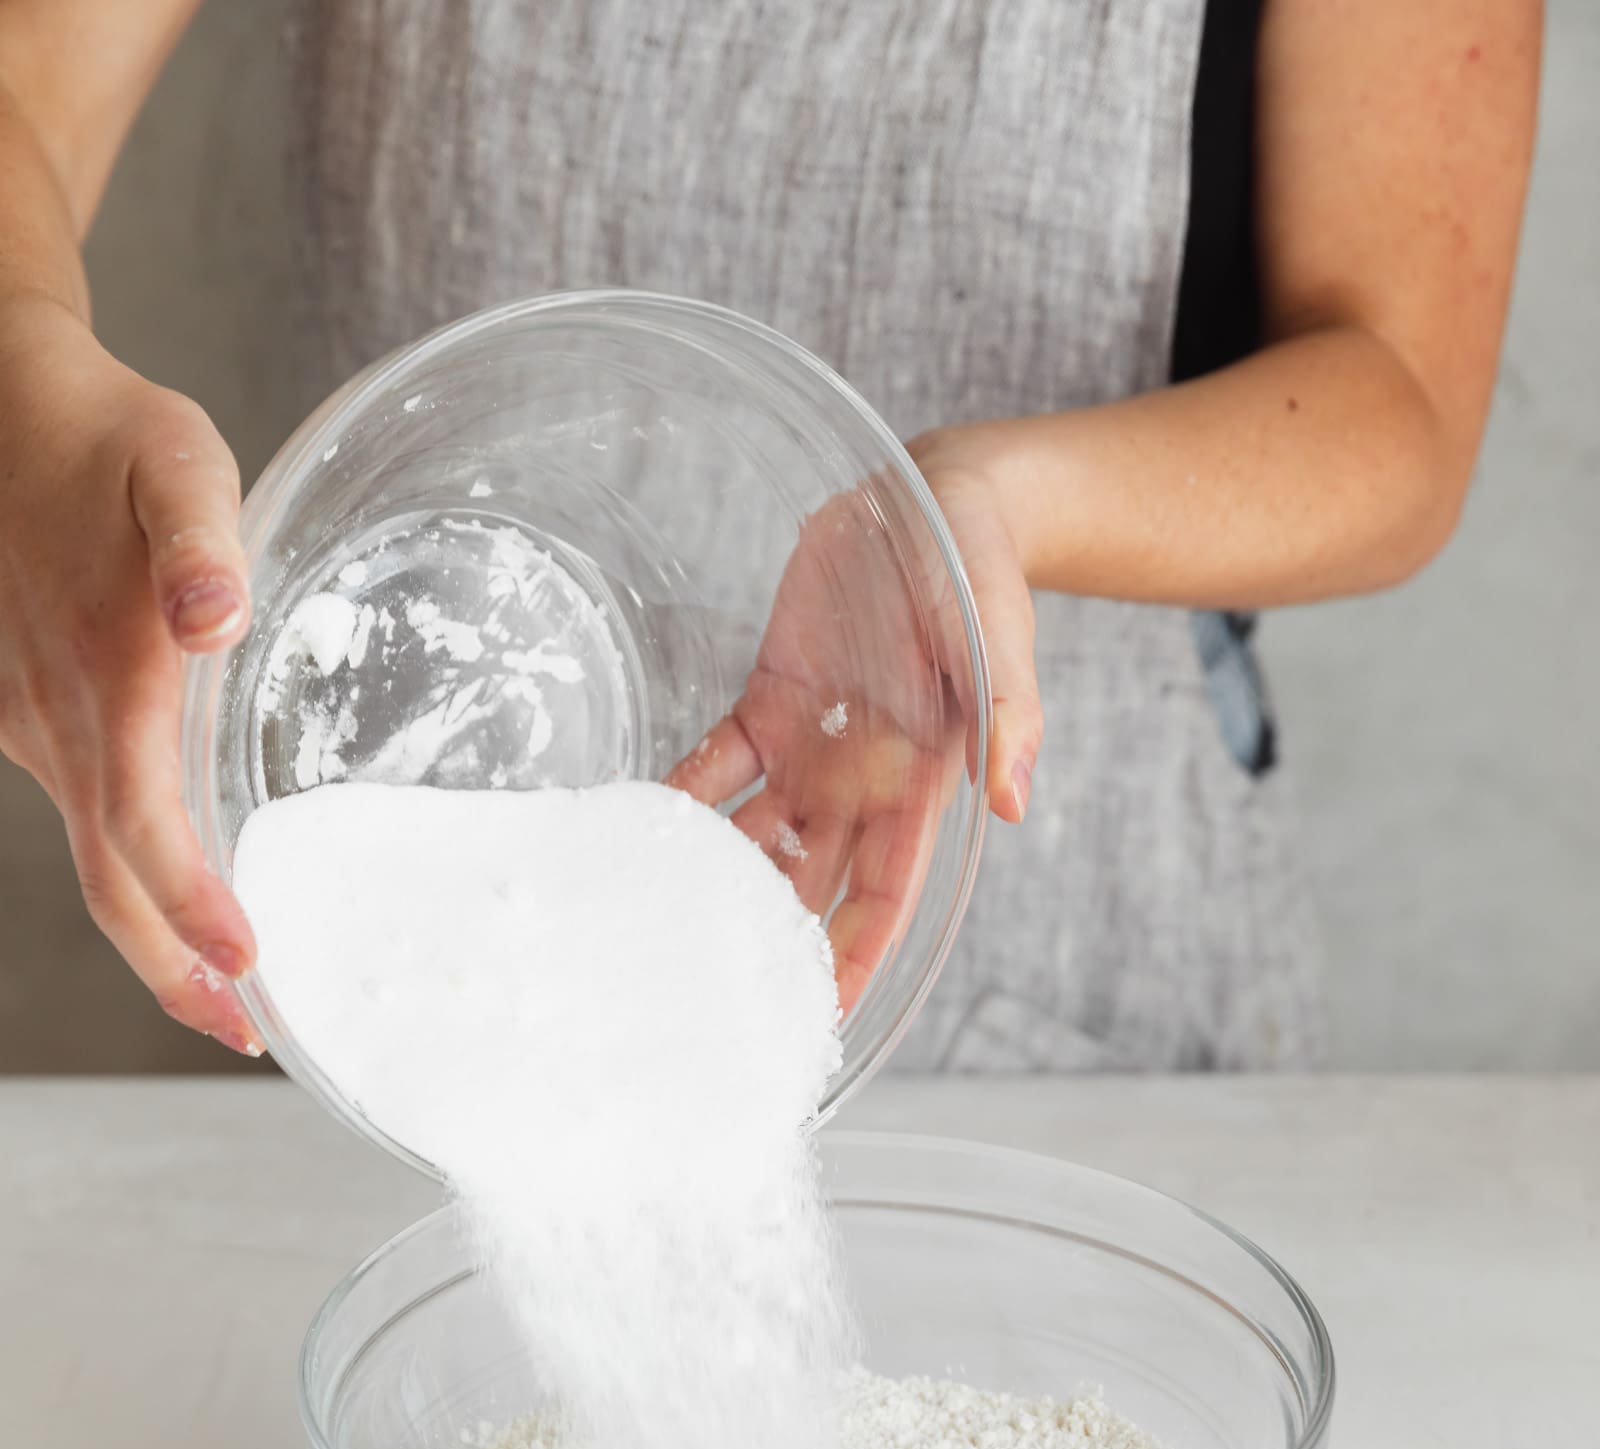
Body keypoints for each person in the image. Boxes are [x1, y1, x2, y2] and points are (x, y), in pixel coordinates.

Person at [0, 1, 1539, 1068]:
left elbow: (1396, 397)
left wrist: (990, 503)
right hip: (395, 946)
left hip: (1087, 954)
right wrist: (19, 375)